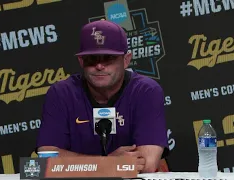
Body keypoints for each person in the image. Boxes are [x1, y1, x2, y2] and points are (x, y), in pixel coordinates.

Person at [36, 19, 168, 173]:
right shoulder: (61, 93)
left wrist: (79, 164)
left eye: (108, 58)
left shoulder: (146, 91)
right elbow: (45, 162)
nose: (99, 66)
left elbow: (147, 164)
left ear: (126, 60)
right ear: (81, 61)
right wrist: (108, 164)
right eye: (92, 59)